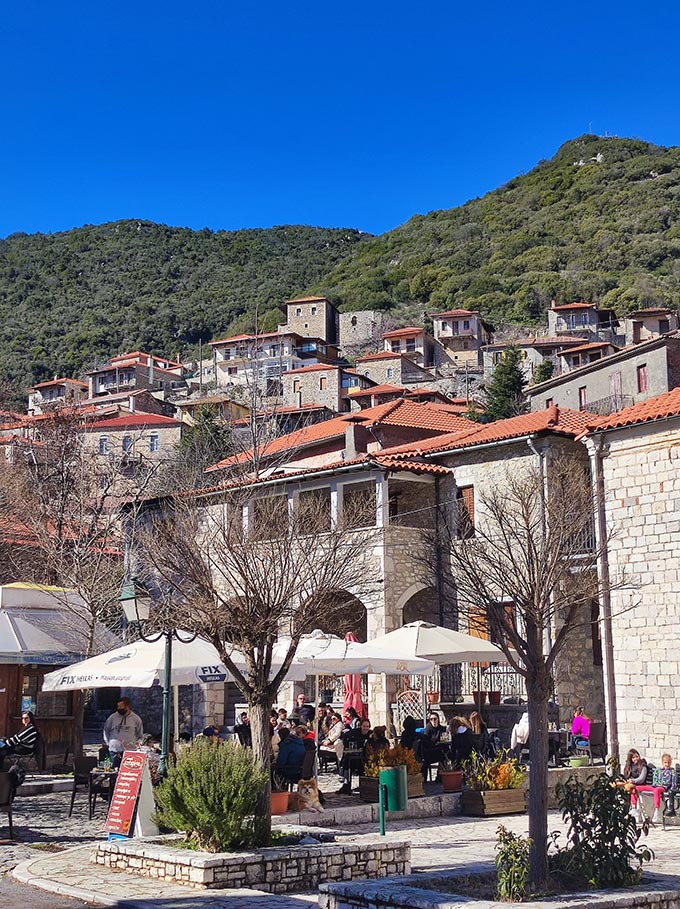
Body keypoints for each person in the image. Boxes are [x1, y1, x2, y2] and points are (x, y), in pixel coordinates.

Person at [623, 747, 663, 823]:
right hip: (635, 786)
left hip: (644, 785)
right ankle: (630, 809)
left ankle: (634, 808)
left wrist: (632, 780)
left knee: (633, 789)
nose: (635, 759)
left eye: (636, 756)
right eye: (633, 758)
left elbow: (641, 779)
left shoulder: (643, 765)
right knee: (630, 789)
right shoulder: (629, 767)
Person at [103, 697, 143, 767]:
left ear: (127, 706)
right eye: (118, 706)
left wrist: (138, 743)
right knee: (114, 772)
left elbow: (140, 733)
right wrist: (108, 742)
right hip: (115, 750)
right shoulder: (112, 718)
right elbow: (106, 730)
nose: (119, 708)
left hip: (130, 751)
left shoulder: (136, 719)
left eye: (121, 706)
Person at [337, 718, 371, 794]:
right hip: (355, 756)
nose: (366, 728)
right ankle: (346, 784)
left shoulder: (371, 734)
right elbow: (345, 737)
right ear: (361, 726)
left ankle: (364, 785)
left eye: (367, 726)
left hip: (366, 758)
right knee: (348, 761)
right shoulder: (354, 733)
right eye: (364, 726)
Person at [421, 712, 446, 778]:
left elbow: (444, 739)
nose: (433, 721)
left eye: (435, 719)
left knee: (445, 755)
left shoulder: (441, 729)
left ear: (438, 719)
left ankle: (440, 776)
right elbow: (426, 743)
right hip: (429, 752)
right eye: (431, 719)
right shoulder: (428, 729)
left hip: (439, 751)